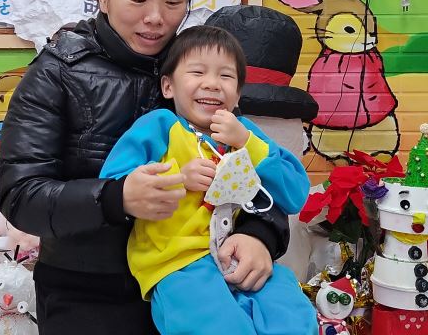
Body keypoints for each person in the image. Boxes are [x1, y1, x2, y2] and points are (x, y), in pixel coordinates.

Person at [0, 0, 290, 335]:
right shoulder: (56, 72)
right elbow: (21, 195)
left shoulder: (197, 70)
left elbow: (251, 166)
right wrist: (115, 198)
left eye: (172, 2)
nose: (156, 17)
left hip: (196, 282)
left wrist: (261, 234)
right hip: (86, 292)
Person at [99, 26, 317, 335]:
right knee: (218, 325)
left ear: (238, 93)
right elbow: (113, 184)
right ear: (168, 86)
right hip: (178, 263)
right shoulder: (159, 126)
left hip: (243, 255)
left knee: (292, 313)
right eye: (197, 72)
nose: (212, 84)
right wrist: (178, 178)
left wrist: (248, 143)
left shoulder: (244, 133)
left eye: (226, 76)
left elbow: (295, 194)